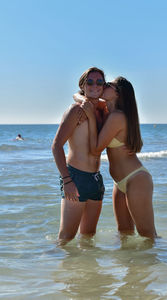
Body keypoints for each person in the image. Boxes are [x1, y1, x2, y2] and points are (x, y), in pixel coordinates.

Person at [81, 77, 157, 240]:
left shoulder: (117, 116)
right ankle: (132, 266)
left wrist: (91, 116)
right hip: (119, 182)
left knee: (148, 236)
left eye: (108, 85)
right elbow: (78, 95)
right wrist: (87, 105)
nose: (103, 86)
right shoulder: (107, 111)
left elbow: (96, 149)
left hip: (136, 179)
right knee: (124, 234)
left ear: (118, 93)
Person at [52, 67, 107, 245]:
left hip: (96, 180)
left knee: (88, 237)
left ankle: (86, 273)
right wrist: (67, 180)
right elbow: (56, 146)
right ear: (83, 85)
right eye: (90, 82)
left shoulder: (102, 112)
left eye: (99, 82)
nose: (95, 85)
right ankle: (57, 269)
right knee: (66, 238)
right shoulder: (75, 111)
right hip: (76, 177)